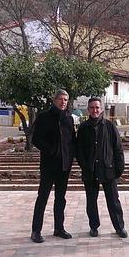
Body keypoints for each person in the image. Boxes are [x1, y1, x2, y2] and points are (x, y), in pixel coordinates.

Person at [76, 97, 127, 238]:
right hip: (90, 171)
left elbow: (118, 149)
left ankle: (119, 227)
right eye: (92, 108)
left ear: (101, 109)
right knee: (91, 202)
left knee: (113, 201)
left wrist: (119, 169)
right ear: (88, 110)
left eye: (97, 107)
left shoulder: (110, 126)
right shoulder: (83, 128)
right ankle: (94, 226)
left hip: (108, 170)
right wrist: (85, 166)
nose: (95, 110)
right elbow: (79, 151)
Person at [30, 89, 76, 243]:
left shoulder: (69, 119)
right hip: (49, 166)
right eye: (61, 99)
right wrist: (51, 151)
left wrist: (70, 157)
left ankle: (59, 228)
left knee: (60, 199)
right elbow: (35, 139)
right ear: (54, 100)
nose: (63, 102)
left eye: (66, 99)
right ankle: (36, 231)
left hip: (64, 166)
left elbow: (72, 141)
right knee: (42, 198)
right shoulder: (44, 117)